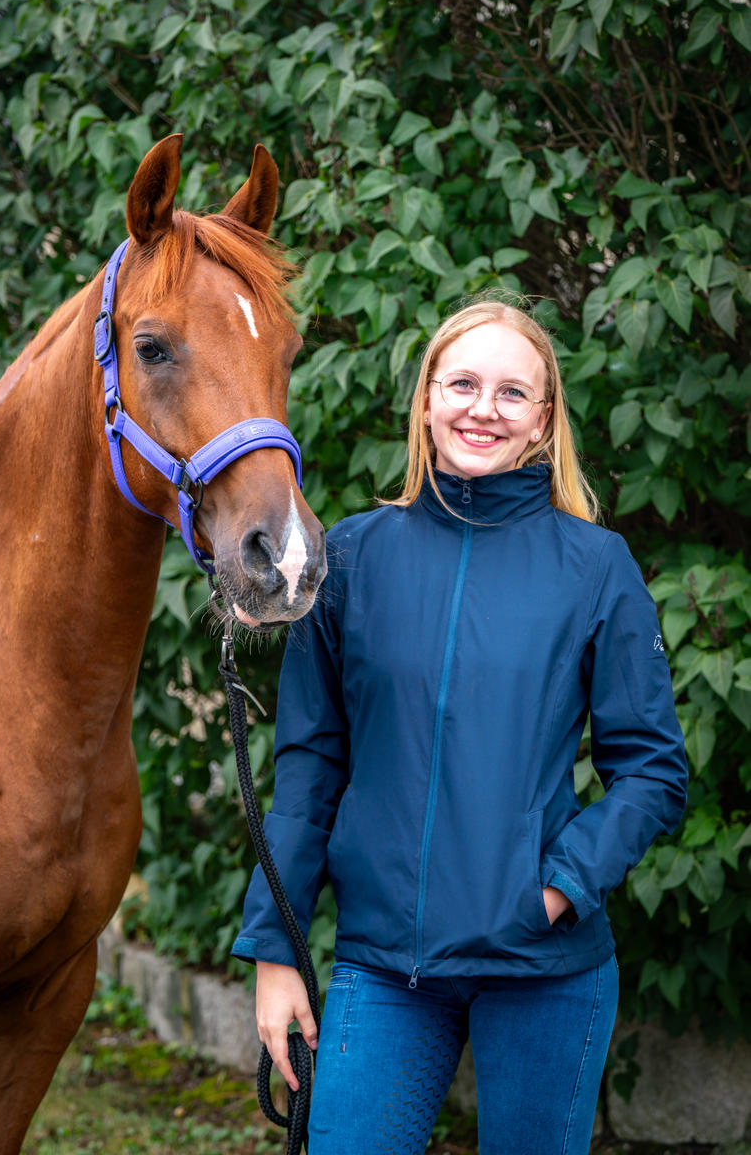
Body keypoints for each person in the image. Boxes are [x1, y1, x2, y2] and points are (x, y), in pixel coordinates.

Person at [231, 300, 688, 1155]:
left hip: (545, 968)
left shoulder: (596, 569)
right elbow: (309, 772)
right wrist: (274, 948)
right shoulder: (352, 561)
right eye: (465, 384)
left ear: (542, 422)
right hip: (386, 970)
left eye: (512, 393)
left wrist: (555, 888)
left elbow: (654, 771)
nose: (485, 407)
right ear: (428, 400)